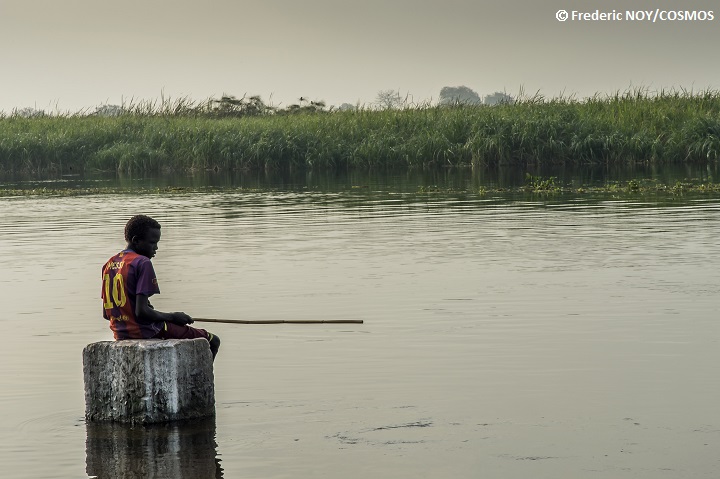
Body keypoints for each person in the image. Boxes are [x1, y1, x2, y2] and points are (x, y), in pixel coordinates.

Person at [101, 214, 220, 359]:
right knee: (213, 340)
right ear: (136, 240)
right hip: (145, 330)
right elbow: (141, 312)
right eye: (152, 242)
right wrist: (173, 317)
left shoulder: (109, 264)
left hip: (119, 333)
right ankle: (202, 382)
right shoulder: (142, 262)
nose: (156, 248)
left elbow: (106, 314)